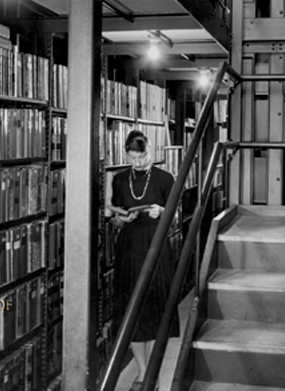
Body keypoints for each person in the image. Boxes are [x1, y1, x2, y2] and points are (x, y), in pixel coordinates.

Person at [107, 130, 179, 390]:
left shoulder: (165, 178)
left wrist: (163, 211)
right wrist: (121, 219)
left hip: (156, 245)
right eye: (132, 158)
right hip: (129, 246)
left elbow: (175, 218)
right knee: (131, 308)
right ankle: (143, 372)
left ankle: (152, 373)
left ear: (150, 151)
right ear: (126, 155)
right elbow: (115, 219)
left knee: (154, 307)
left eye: (142, 157)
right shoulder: (119, 179)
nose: (137, 163)